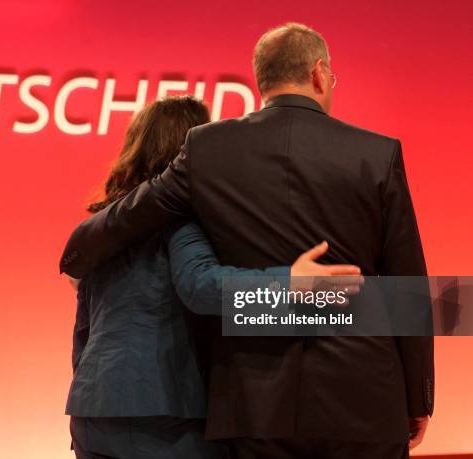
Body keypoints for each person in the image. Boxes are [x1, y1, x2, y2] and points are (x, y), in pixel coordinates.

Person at [60, 23, 434, 458]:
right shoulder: (378, 153)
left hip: (257, 402)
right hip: (367, 397)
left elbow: (137, 210)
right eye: (332, 78)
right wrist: (417, 398)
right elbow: (408, 288)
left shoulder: (207, 148)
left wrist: (79, 251)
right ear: (318, 73)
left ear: (262, 81)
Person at [64, 95, 362, 459]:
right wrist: (289, 283)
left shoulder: (101, 229)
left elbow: (84, 332)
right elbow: (201, 287)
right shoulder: (179, 220)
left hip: (91, 413)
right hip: (165, 416)